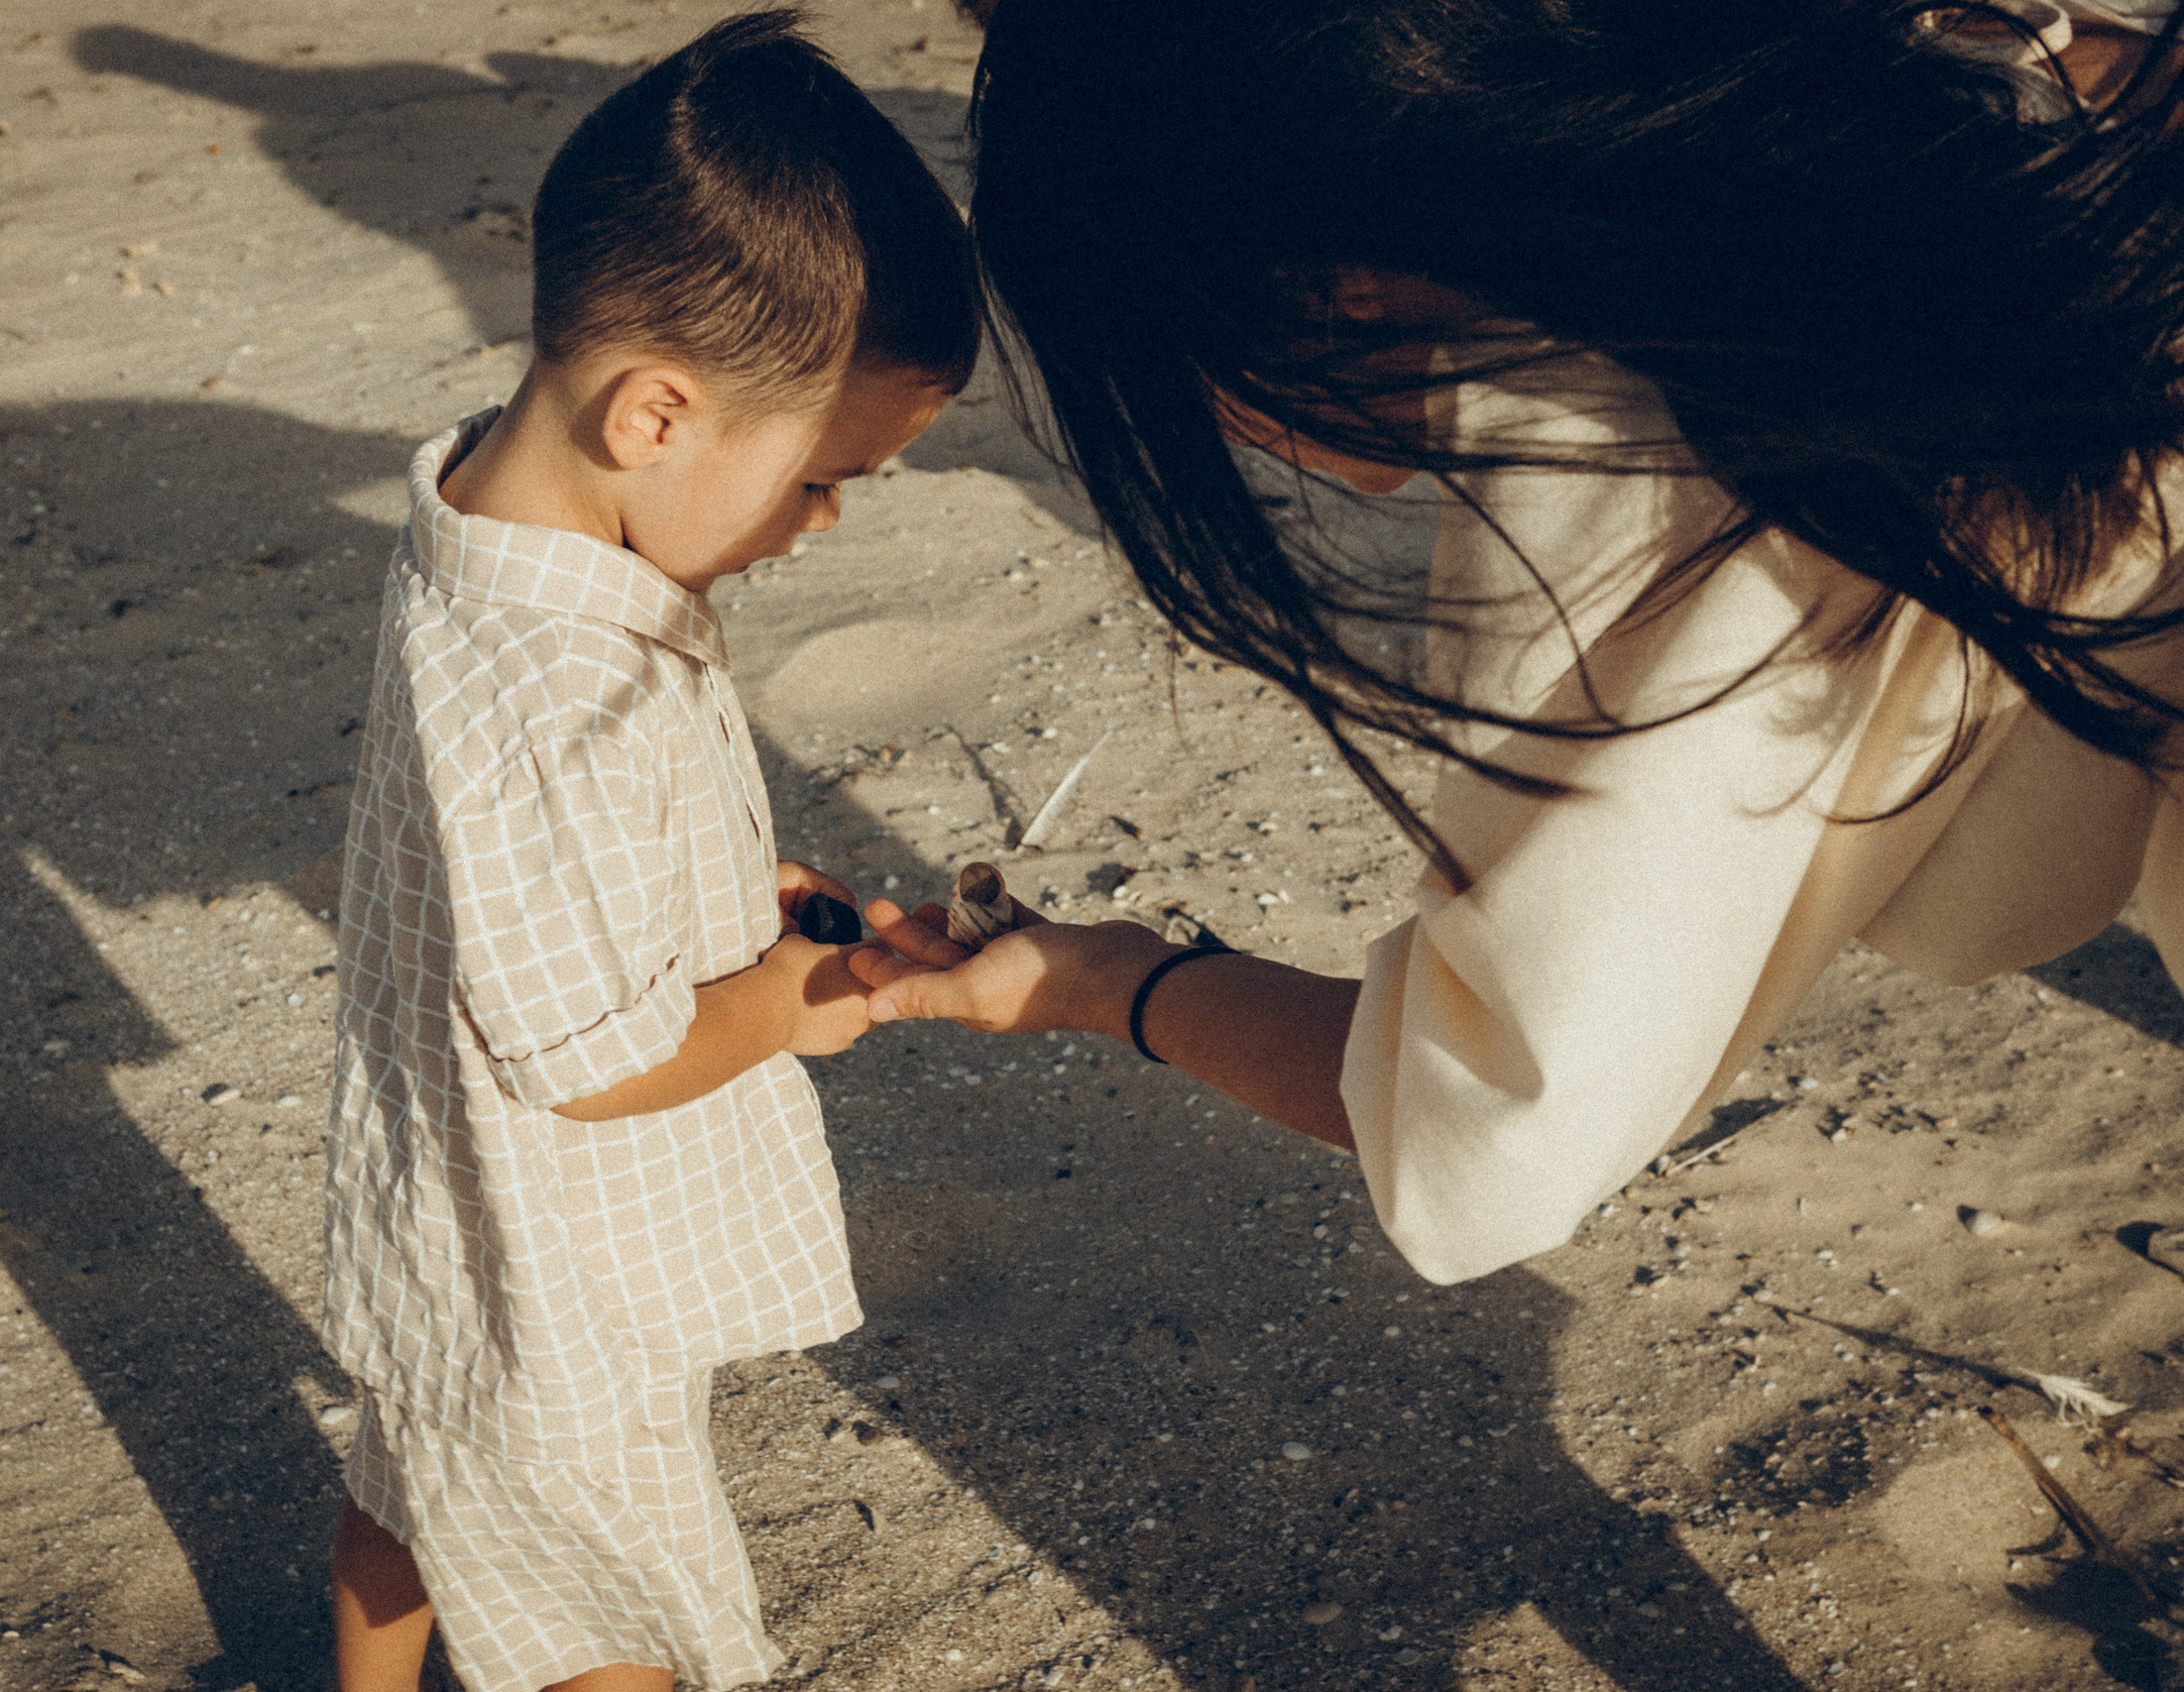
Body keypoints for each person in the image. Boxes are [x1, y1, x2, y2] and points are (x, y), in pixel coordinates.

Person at [852, 0, 2184, 1285]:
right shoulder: (1881, 84)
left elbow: (1491, 1118)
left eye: (1176, 360)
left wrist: (1115, 980)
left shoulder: (1606, 409)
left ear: (1324, 276)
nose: (1222, 421)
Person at [319, 15, 976, 1691]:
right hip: (558, 1268)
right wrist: (786, 998)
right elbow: (595, 1062)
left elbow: (518, 867)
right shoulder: (575, 690)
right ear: (656, 416)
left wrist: (717, 900)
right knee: (608, 1618)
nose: (820, 523)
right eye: (824, 481)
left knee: (416, 1482)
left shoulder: (482, 506)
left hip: (432, 1210)